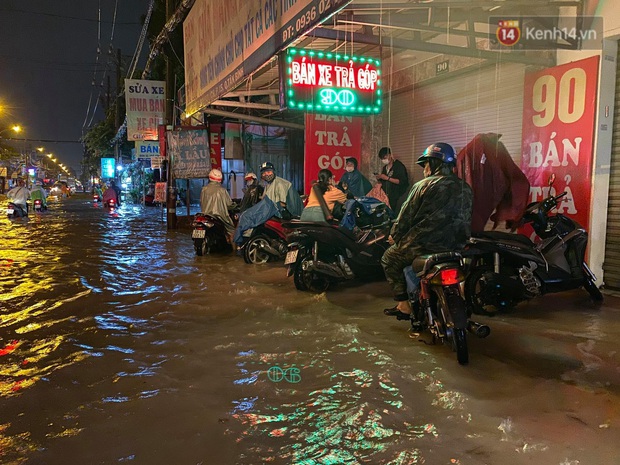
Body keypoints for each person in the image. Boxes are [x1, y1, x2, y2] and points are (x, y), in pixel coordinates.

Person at [381, 142, 472, 322]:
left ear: (432, 164)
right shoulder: (465, 187)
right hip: (457, 245)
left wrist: (394, 235)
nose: (424, 169)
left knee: (388, 259)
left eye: (425, 165)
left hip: (424, 245)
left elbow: (405, 217)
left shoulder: (423, 185)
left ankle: (403, 305)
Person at [200, 169, 236, 239]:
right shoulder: (222, 190)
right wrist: (235, 206)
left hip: (206, 215)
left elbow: (201, 202)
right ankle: (235, 249)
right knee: (232, 230)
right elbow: (229, 205)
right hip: (220, 216)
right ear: (220, 179)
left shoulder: (203, 189)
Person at [375, 147, 409, 214]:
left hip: (396, 196)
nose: (384, 160)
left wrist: (387, 178)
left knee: (393, 214)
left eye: (385, 157)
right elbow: (384, 181)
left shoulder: (399, 166)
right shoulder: (385, 168)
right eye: (382, 159)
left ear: (390, 155)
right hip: (386, 197)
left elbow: (401, 181)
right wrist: (380, 179)